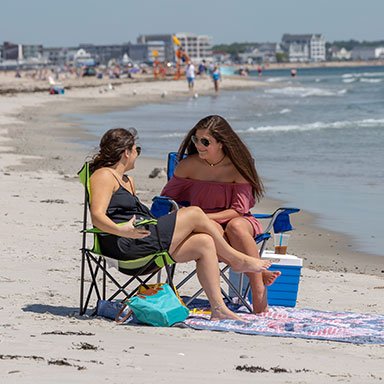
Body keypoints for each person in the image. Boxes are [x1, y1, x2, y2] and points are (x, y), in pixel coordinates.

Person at [89, 128, 272, 321]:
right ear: (126, 152)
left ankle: (218, 308)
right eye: (137, 149)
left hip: (142, 244)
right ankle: (236, 260)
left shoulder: (127, 180)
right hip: (125, 247)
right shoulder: (104, 176)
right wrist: (120, 230)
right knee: (194, 213)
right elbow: (96, 216)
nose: (137, 155)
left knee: (204, 242)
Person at [161, 115, 281, 313]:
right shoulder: (188, 165)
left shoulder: (237, 167)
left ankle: (258, 290)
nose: (199, 145)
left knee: (236, 227)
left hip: (239, 218)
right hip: (203, 221)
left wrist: (202, 218)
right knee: (211, 231)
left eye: (205, 141)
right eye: (195, 140)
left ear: (221, 144)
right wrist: (195, 218)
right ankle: (254, 273)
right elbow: (167, 199)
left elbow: (239, 210)